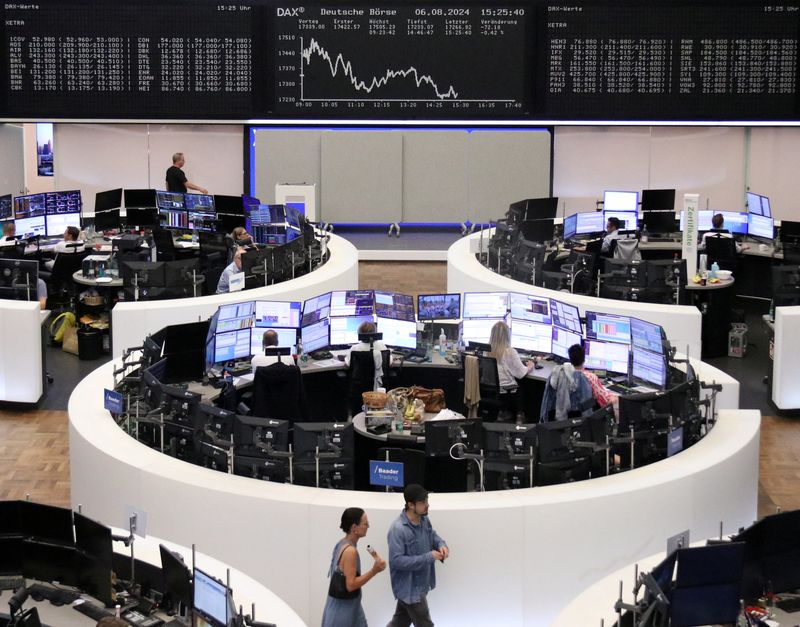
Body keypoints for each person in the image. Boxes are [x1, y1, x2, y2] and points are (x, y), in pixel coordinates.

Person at [386, 484, 448, 627]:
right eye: (423, 502)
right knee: (425, 624)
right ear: (410, 505)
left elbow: (433, 536)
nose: (427, 505)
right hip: (410, 589)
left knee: (399, 622)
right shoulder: (398, 529)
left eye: (426, 501)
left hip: (421, 584)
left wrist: (441, 545)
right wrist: (429, 557)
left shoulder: (424, 520)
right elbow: (397, 561)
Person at [321, 507, 386, 627]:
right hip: (343, 613)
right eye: (365, 523)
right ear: (354, 528)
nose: (368, 526)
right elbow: (350, 585)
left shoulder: (340, 544)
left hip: (348, 606)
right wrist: (374, 571)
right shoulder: (350, 552)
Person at [540, 343, 595, 422]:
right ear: (584, 360)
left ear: (569, 357)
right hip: (574, 422)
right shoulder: (582, 379)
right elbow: (587, 409)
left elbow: (546, 401)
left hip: (553, 420)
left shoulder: (556, 372)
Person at [344, 321, 388, 390]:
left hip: (359, 384)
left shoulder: (355, 348)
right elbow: (389, 362)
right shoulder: (382, 346)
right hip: (378, 384)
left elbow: (348, 364)